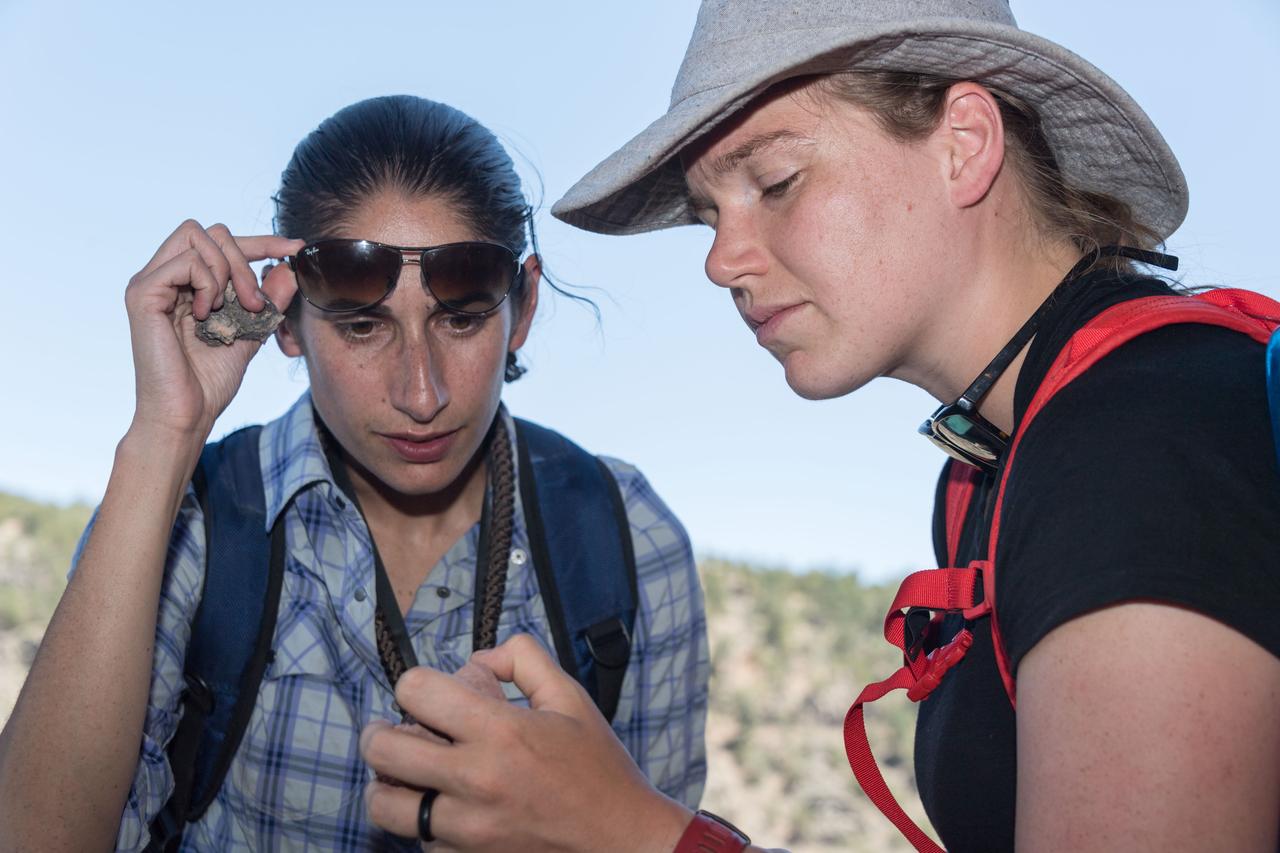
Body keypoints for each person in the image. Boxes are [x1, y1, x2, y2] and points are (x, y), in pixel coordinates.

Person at [357, 2, 1280, 852]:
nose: (720, 260)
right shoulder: (995, 464)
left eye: (776, 180)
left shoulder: (1137, 445)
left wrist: (633, 831)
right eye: (711, 212)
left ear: (964, 143)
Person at [0, 95, 709, 851]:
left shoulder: (627, 538)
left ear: (523, 307)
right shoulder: (190, 520)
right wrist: (162, 438)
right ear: (287, 318)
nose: (421, 393)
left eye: (462, 318)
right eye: (363, 325)